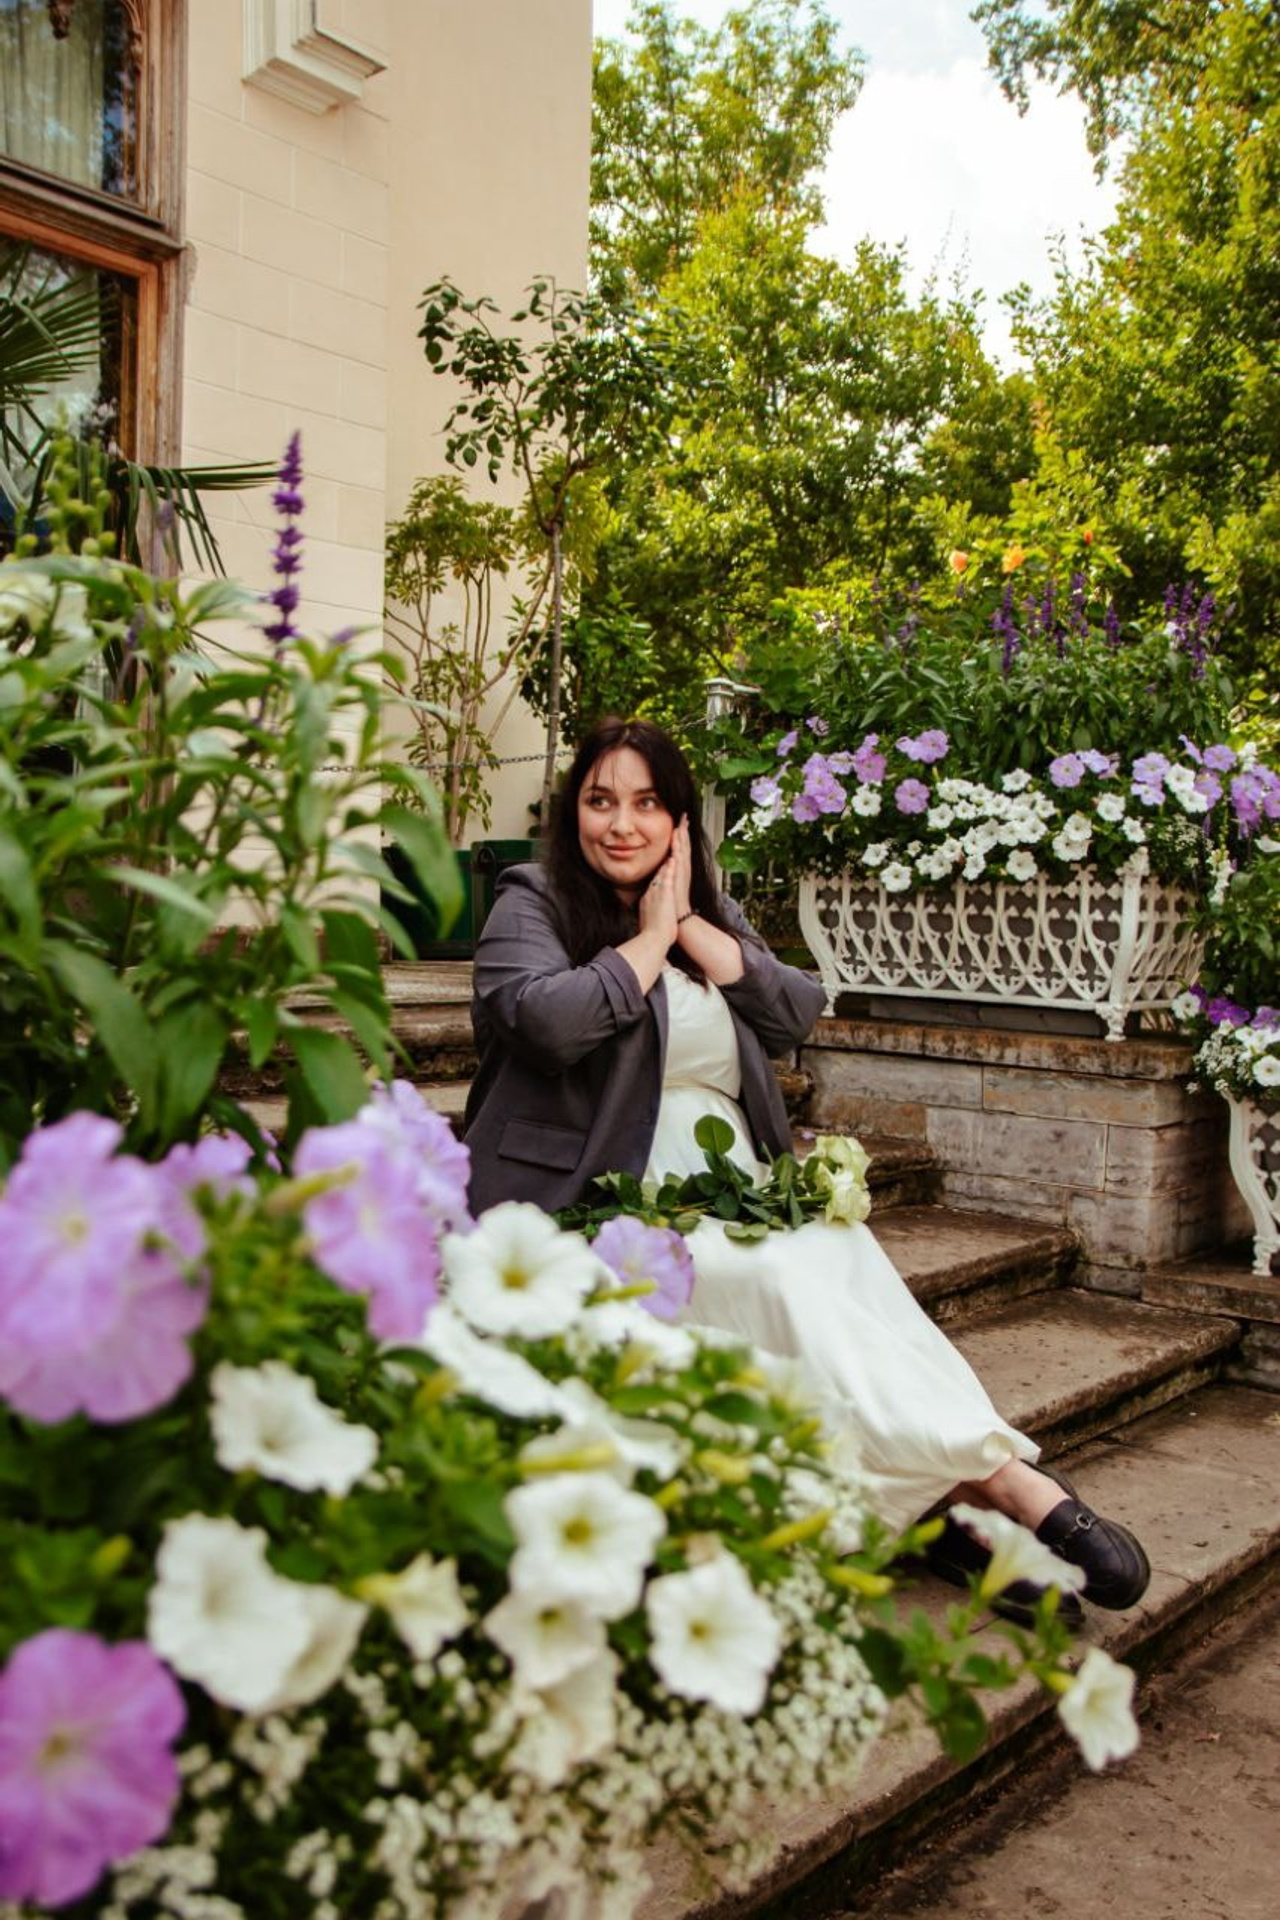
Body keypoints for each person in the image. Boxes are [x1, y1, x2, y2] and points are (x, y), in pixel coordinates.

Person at [463, 717, 1150, 1620]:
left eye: (646, 804)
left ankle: (944, 1504)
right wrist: (648, 937)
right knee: (778, 1281)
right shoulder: (533, 899)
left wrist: (696, 932)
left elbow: (795, 1009)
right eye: (600, 802)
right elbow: (542, 1022)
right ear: (573, 812)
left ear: (679, 822)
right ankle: (1006, 1488)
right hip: (599, 1196)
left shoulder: (707, 905)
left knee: (846, 1268)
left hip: (734, 1181)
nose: (621, 825)